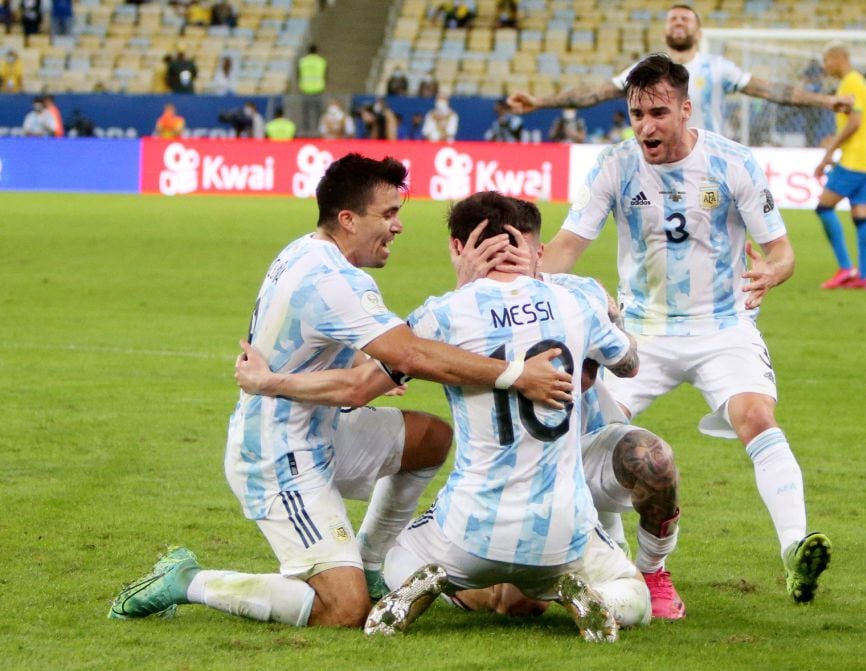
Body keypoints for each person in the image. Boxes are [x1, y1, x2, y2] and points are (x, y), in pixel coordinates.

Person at [107, 153, 574, 629]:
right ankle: (188, 579)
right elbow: (403, 359)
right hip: (278, 455)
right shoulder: (333, 280)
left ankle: (372, 565)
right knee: (343, 610)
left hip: (325, 429)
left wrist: (378, 359)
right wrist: (514, 373)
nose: (398, 227)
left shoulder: (307, 251)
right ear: (349, 219)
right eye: (388, 214)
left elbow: (356, 350)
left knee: (428, 438)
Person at [540, 54, 832, 605]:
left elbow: (782, 250)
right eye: (636, 114)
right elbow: (567, 247)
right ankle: (634, 569)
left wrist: (772, 270)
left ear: (685, 108)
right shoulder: (615, 166)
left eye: (658, 112)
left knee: (756, 416)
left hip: (723, 325)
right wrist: (511, 283)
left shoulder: (733, 163)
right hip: (641, 333)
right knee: (597, 440)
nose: (646, 126)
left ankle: (796, 549)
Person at [365, 191, 648, 641]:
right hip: (561, 530)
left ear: (460, 249)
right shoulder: (577, 304)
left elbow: (372, 376)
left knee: (397, 560)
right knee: (634, 595)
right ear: (531, 247)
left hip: (470, 530)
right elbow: (630, 364)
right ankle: (592, 596)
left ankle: (435, 582)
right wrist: (614, 320)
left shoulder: (442, 314)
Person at [449, 198, 685, 621]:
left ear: (539, 254)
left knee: (652, 458)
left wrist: (614, 322)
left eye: (516, 252)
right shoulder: (457, 309)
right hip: (509, 476)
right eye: (493, 255)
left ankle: (653, 573)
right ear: (466, 254)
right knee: (520, 607)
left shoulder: (580, 295)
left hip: (583, 451)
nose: (506, 263)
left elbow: (627, 365)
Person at [507, 4, 852, 135]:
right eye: (673, 18)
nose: (678, 22)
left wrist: (825, 102)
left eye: (686, 18)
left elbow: (771, 90)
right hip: (659, 164)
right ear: (665, 30)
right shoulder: (645, 70)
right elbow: (593, 93)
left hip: (707, 164)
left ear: (698, 32)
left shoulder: (717, 68)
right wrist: (540, 101)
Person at [814, 42, 866, 291]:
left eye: (826, 60)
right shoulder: (859, 81)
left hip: (855, 159)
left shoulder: (850, 82)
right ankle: (863, 276)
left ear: (838, 57)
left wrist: (830, 150)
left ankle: (845, 268)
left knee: (824, 207)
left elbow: (855, 120)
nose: (825, 65)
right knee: (860, 214)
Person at [297, 45, 327, 137]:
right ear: (317, 50)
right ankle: (318, 131)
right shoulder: (321, 61)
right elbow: (325, 75)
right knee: (318, 112)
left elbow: (298, 75)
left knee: (306, 113)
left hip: (305, 89)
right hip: (318, 90)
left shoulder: (302, 61)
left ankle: (306, 130)